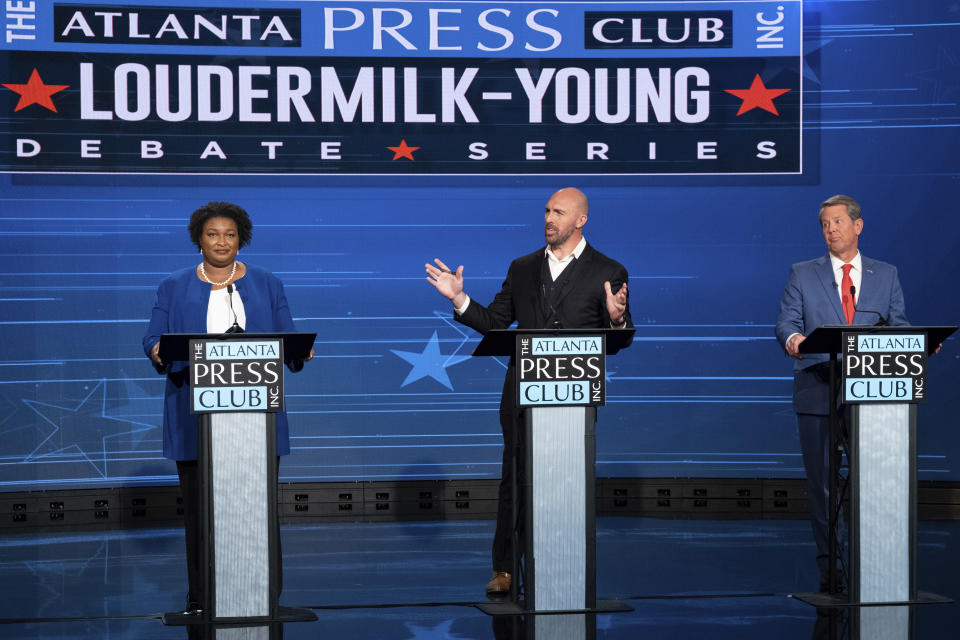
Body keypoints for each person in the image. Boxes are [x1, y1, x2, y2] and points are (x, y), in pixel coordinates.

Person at [425, 187, 632, 595]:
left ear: (580, 220)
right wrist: (461, 299)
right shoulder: (521, 268)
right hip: (520, 395)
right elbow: (496, 323)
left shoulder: (609, 270)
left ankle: (566, 561)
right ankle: (505, 568)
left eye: (559, 212)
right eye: (546, 210)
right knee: (515, 478)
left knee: (569, 481)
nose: (549, 218)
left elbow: (621, 339)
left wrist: (616, 320)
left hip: (574, 399)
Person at [142, 201, 313, 614]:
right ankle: (202, 596)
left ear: (242, 239)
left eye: (230, 234)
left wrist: (301, 351)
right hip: (193, 414)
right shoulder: (174, 284)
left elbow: (287, 336)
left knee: (257, 508)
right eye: (213, 234)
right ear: (198, 239)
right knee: (201, 510)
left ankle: (263, 594)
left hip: (257, 418)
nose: (222, 241)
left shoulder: (268, 283)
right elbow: (152, 339)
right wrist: (158, 349)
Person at [775, 194, 908, 591]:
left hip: (871, 393)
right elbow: (786, 322)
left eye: (837, 222)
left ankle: (877, 559)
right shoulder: (803, 273)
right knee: (823, 483)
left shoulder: (886, 274)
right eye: (825, 224)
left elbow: (899, 328)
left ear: (858, 225)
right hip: (818, 386)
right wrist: (794, 338)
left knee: (873, 479)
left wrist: (916, 344)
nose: (831, 230)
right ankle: (831, 566)